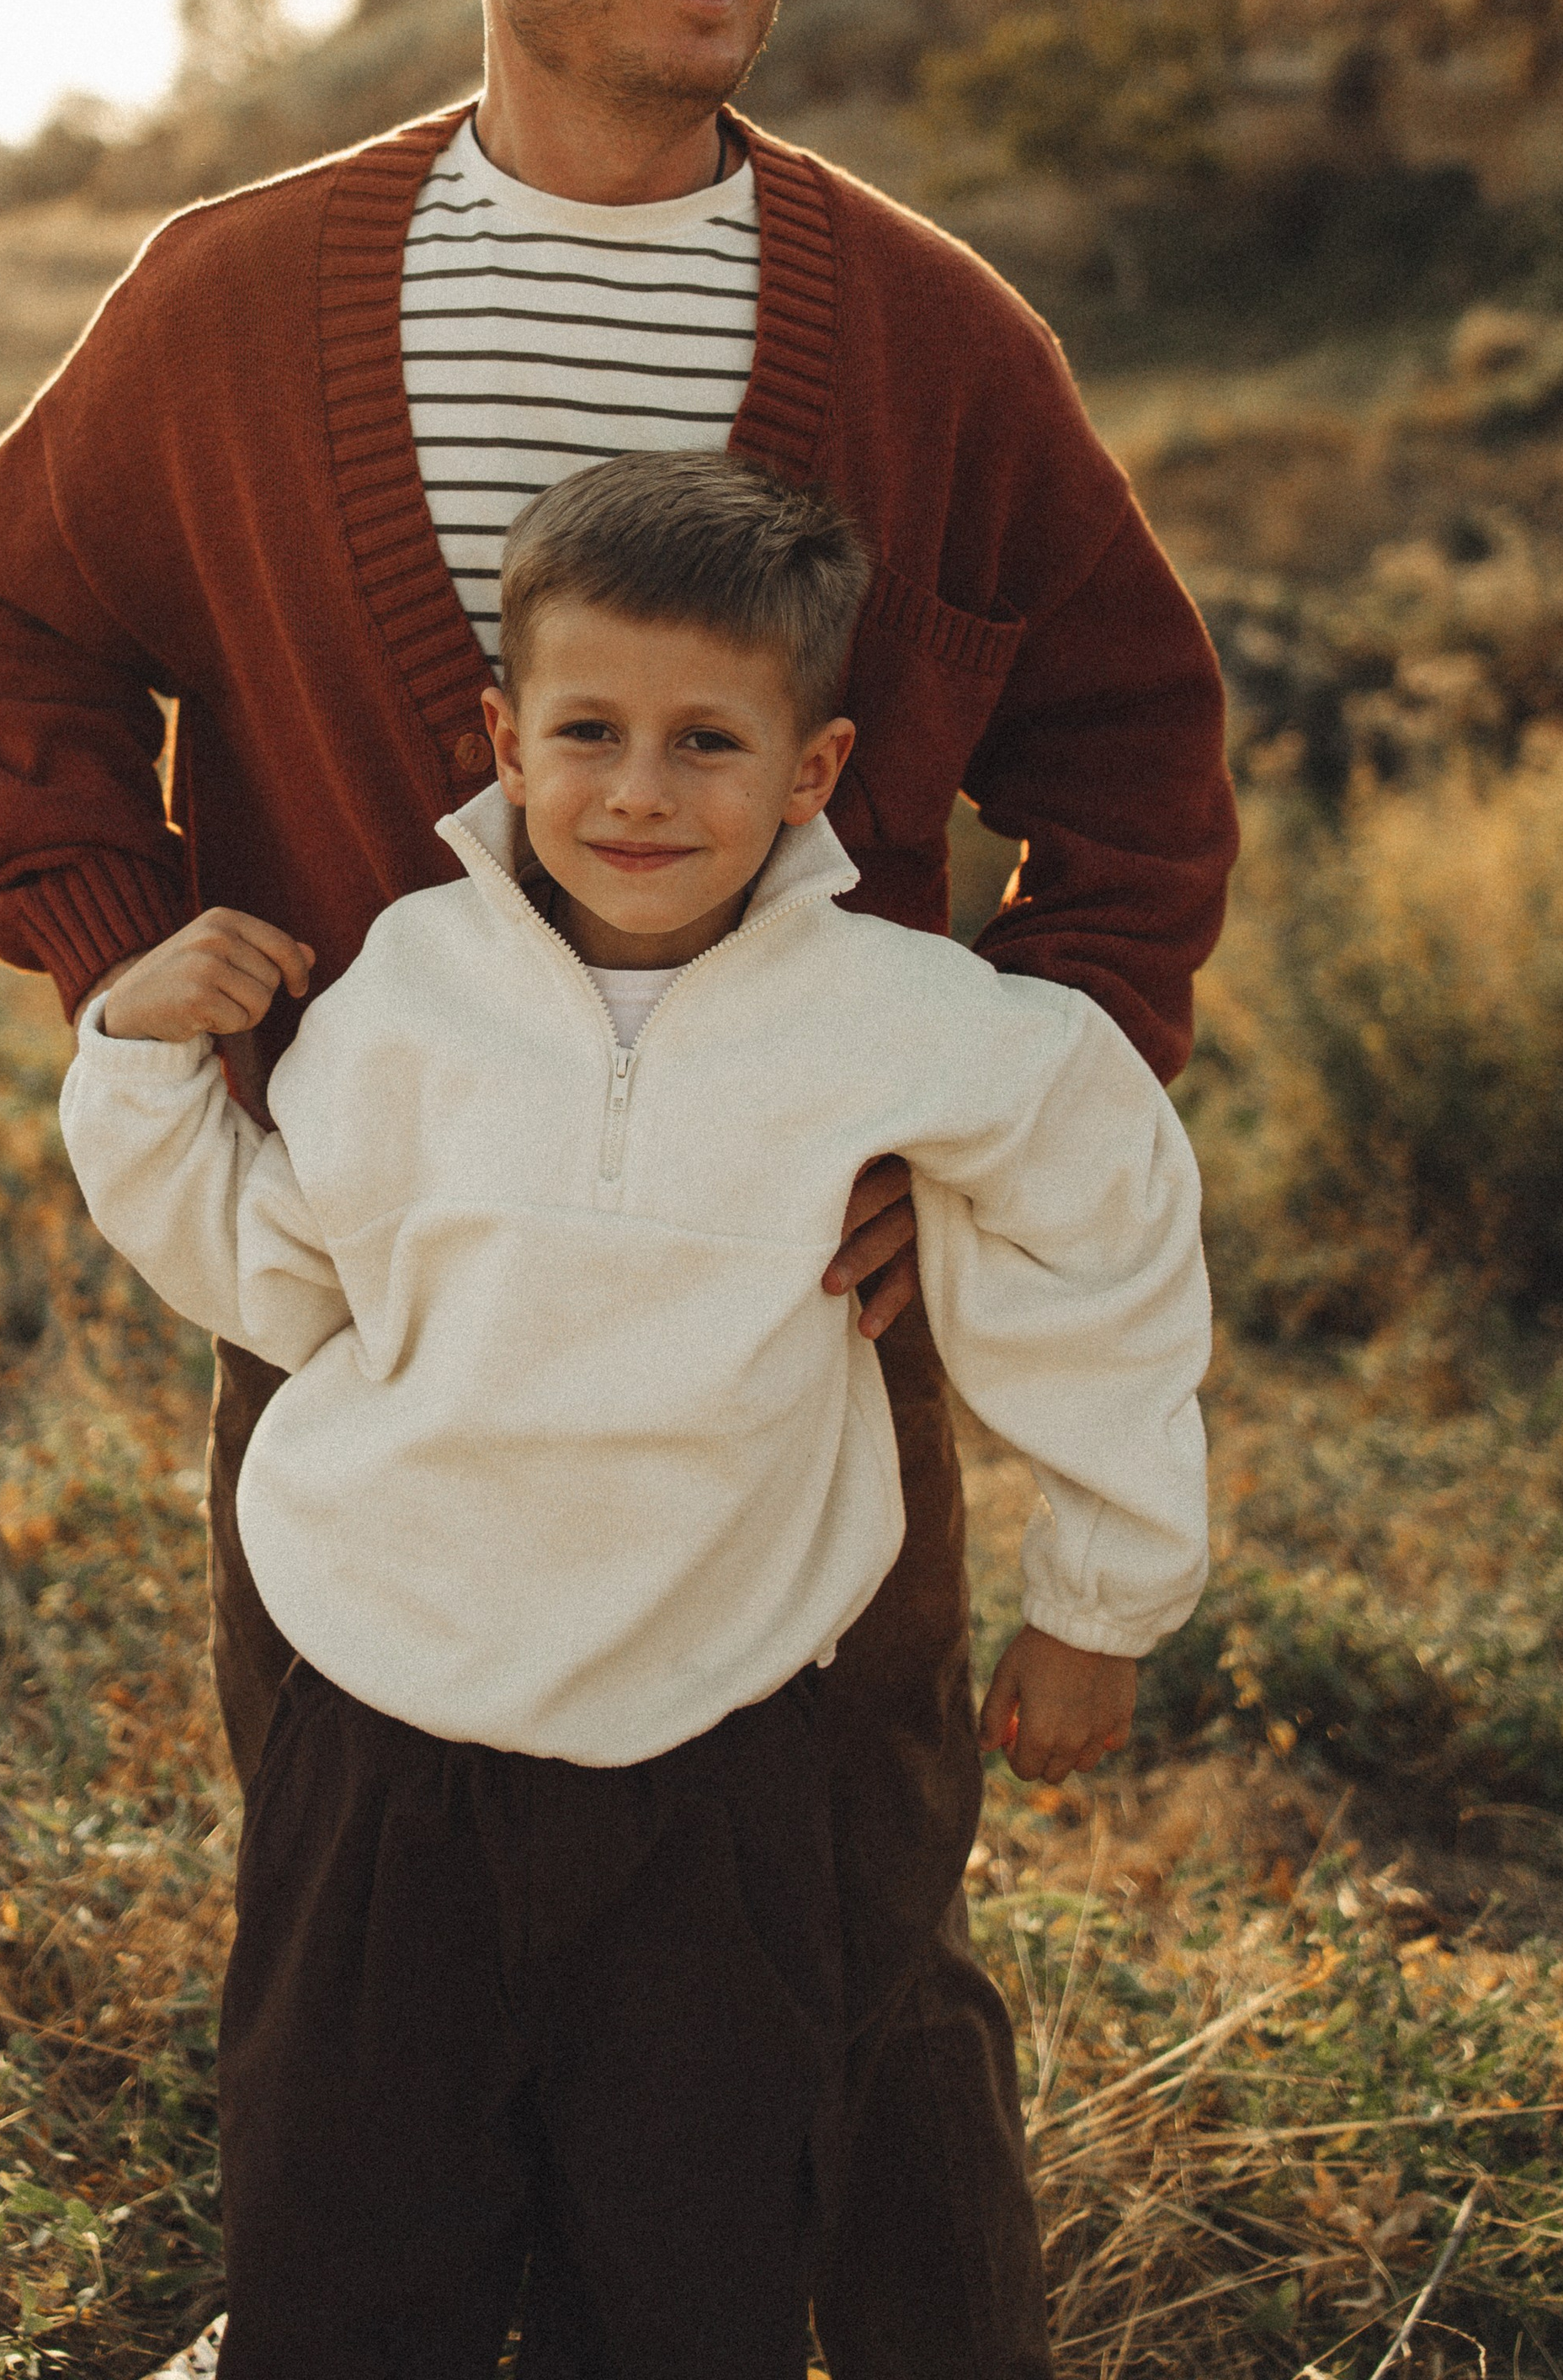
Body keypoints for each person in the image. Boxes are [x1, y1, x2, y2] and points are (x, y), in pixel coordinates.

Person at [0, 0, 1239, 2377]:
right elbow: (8, 613)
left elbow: (1138, 743)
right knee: (386, 2010)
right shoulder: (233, 301)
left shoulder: (930, 333)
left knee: (847, 2036)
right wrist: (128, 945)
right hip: (394, 1333)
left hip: (796, 1382)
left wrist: (989, 1126)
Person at [59, 453, 1212, 2380]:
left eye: (706, 742)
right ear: (505, 741)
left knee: (686, 2276)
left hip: (718, 1758)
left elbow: (1106, 1221)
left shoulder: (897, 1014)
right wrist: (136, 1065)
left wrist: (1101, 1594)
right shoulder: (405, 994)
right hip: (387, 1730)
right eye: (587, 731)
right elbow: (282, 1275)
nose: (640, 791)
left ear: (814, 769)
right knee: (347, 2254)